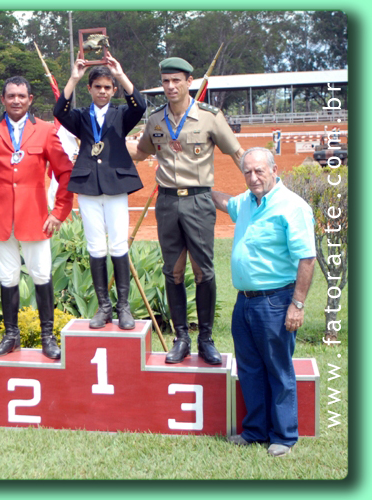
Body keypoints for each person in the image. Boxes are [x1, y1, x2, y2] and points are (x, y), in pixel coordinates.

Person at [129, 57, 244, 365]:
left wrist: (260, 183)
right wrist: (101, 142)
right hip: (166, 202)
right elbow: (141, 152)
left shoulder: (209, 117)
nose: (170, 86)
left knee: (203, 271)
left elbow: (236, 152)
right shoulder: (154, 120)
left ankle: (205, 339)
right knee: (173, 271)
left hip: (198, 201)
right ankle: (181, 337)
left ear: (189, 81)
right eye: (166, 81)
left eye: (176, 80)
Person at [211, 147, 316, 457]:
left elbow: (307, 259)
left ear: (274, 169)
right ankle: (255, 431)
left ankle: (284, 436)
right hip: (244, 302)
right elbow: (225, 202)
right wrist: (199, 190)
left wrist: (297, 305)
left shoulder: (292, 206)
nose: (253, 177)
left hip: (276, 301)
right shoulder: (246, 201)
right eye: (248, 172)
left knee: (278, 370)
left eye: (259, 171)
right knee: (250, 369)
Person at [0, 76, 74, 359]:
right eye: (11, 96)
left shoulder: (44, 130)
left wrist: (59, 212)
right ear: (3, 100)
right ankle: (11, 336)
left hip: (36, 216)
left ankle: (47, 336)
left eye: (22, 96)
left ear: (30, 100)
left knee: (41, 275)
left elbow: (65, 172)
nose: (16, 100)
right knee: (7, 277)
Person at [54, 55, 146, 330]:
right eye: (98, 87)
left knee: (118, 245)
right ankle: (103, 307)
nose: (103, 91)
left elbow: (139, 105)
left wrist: (120, 73)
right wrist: (74, 77)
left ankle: (123, 308)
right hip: (88, 186)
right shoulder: (81, 116)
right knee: (95, 246)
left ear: (113, 89)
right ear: (90, 89)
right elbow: (60, 111)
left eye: (108, 87)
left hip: (117, 184)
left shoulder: (121, 114)